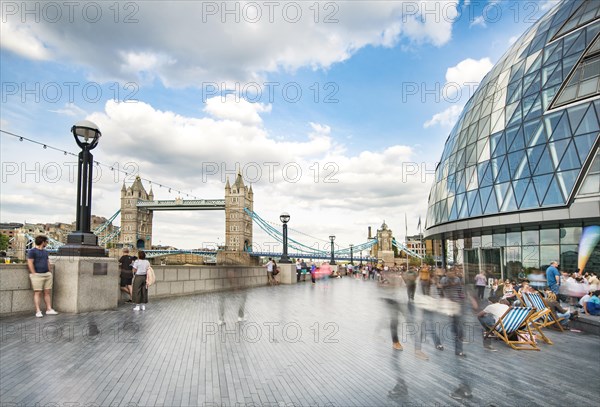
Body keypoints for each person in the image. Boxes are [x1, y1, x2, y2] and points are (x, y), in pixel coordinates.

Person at [27, 235, 58, 318]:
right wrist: (34, 273)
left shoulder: (45, 251)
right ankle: (38, 311)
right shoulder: (32, 251)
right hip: (37, 275)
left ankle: (49, 309)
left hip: (47, 274)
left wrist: (49, 271)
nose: (47, 243)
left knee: (47, 292)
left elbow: (47, 261)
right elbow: (30, 262)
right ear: (43, 242)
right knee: (37, 292)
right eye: (46, 242)